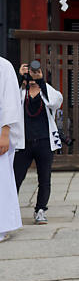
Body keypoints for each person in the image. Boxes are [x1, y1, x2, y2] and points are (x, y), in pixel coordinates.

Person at [14, 61, 63, 225]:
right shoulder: (19, 92)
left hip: (44, 141)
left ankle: (40, 210)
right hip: (23, 143)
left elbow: (55, 102)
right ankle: (10, 210)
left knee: (44, 178)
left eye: (36, 72)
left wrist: (41, 81)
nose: (33, 76)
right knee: (15, 178)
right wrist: (19, 77)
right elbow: (7, 102)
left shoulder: (47, 91)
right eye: (30, 73)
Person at [0, 56, 23, 243]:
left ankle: (3, 225)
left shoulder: (3, 66)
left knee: (2, 180)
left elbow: (10, 102)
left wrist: (5, 132)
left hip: (0, 130)